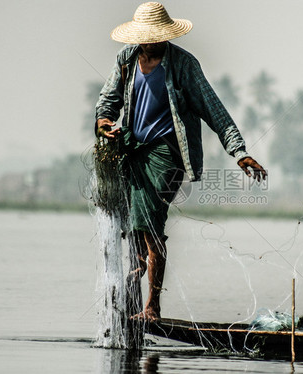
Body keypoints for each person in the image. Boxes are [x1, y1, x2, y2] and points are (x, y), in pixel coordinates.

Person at [95, 2, 267, 322]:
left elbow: (214, 109)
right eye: (147, 37)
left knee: (151, 222)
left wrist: (239, 151)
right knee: (135, 228)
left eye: (158, 36)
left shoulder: (183, 65)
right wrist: (105, 122)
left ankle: (152, 307)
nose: (152, 42)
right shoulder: (126, 60)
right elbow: (108, 101)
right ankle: (134, 296)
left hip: (168, 153)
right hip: (133, 153)